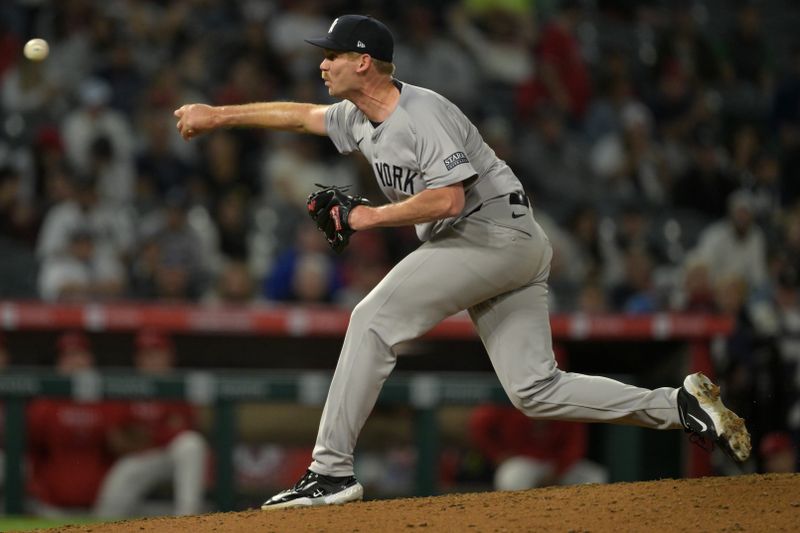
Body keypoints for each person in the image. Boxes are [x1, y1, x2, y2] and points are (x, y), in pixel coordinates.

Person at [174, 14, 752, 509]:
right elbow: (298, 116)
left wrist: (366, 218)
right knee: (534, 389)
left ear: (366, 62)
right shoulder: (357, 115)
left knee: (371, 319)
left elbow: (450, 198)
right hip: (505, 243)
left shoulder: (421, 113)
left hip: (490, 234)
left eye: (333, 56)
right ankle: (676, 405)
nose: (322, 65)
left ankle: (330, 470)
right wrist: (217, 116)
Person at [93, 329, 207, 518]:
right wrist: (159, 430)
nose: (151, 360)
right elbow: (116, 439)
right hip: (141, 457)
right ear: (138, 359)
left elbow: (187, 430)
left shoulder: (180, 387)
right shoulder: (127, 388)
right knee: (113, 495)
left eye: (156, 354)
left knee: (192, 445)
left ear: (169, 357)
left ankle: (188, 519)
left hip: (171, 455)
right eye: (146, 355)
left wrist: (147, 433)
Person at [26, 331, 127, 515]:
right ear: (59, 363)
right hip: (50, 507)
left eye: (79, 355)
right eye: (68, 356)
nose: (75, 362)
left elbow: (123, 447)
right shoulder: (45, 403)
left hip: (101, 508)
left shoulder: (107, 400)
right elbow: (30, 448)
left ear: (90, 359)